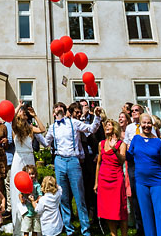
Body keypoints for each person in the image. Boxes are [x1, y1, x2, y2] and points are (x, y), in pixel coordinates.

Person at [44, 101, 100, 236]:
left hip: (73, 160)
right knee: (63, 196)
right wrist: (32, 131)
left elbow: (91, 129)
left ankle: (85, 229)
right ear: (54, 112)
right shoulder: (52, 127)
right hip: (59, 160)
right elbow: (45, 143)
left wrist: (97, 117)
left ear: (65, 111)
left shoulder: (73, 123)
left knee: (79, 196)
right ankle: (69, 228)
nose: (58, 110)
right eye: (56, 108)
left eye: (61, 108)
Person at [126, 113, 161, 236]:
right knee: (146, 216)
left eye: (148, 123)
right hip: (141, 182)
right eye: (144, 123)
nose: (146, 125)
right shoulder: (136, 139)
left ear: (152, 124)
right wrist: (118, 148)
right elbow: (129, 157)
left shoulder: (158, 142)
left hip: (158, 182)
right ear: (140, 124)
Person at [10, 105, 46, 236]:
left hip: (29, 158)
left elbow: (42, 129)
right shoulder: (15, 127)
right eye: (22, 112)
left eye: (24, 112)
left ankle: (33, 224)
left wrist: (35, 115)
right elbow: (11, 118)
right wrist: (18, 106)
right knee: (18, 190)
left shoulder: (30, 128)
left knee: (32, 187)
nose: (23, 113)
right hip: (19, 158)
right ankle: (19, 226)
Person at [94, 118, 128, 236]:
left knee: (120, 209)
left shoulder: (121, 144)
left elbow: (122, 160)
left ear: (115, 128)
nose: (107, 127)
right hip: (104, 179)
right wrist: (96, 182)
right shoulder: (101, 144)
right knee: (108, 211)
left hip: (116, 179)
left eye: (109, 125)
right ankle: (113, 234)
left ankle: (124, 234)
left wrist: (114, 149)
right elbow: (99, 163)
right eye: (106, 125)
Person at [122, 103, 145, 236]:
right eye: (132, 111)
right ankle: (139, 227)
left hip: (145, 162)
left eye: (137, 110)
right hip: (133, 163)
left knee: (145, 193)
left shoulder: (146, 125)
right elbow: (126, 143)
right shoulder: (130, 128)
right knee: (135, 195)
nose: (134, 112)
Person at [18, 165, 41, 236]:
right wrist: (21, 199)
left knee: (35, 229)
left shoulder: (37, 185)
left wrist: (36, 201)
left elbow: (40, 195)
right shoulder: (24, 184)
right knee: (26, 230)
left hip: (35, 211)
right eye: (29, 174)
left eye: (33, 174)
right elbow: (20, 193)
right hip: (27, 212)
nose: (31, 176)